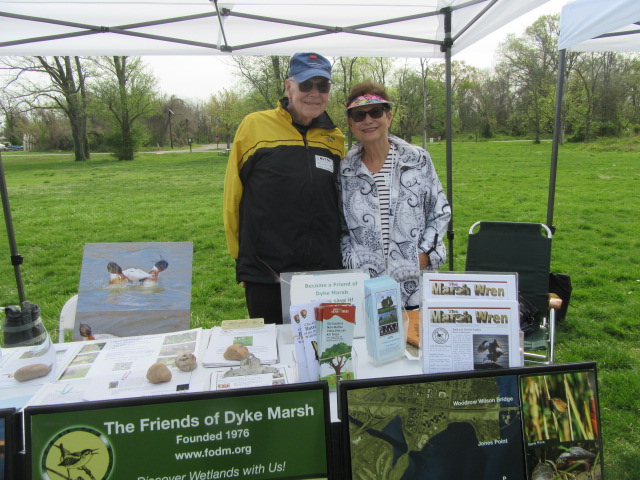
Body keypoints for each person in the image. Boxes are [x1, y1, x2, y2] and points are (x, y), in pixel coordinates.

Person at [223, 52, 345, 324]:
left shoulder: (334, 138)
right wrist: (243, 261)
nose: (314, 93)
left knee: (324, 351)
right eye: (306, 85)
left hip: (323, 272)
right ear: (288, 86)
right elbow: (233, 196)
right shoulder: (254, 125)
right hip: (267, 270)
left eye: (322, 86)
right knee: (273, 354)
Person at [339, 80, 451, 308]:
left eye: (375, 112)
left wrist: (424, 255)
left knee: (413, 342)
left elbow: (440, 213)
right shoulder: (345, 171)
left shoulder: (418, 160)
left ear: (388, 117)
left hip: (414, 285)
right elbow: (339, 227)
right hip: (365, 288)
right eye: (359, 116)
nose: (368, 120)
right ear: (351, 125)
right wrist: (352, 262)